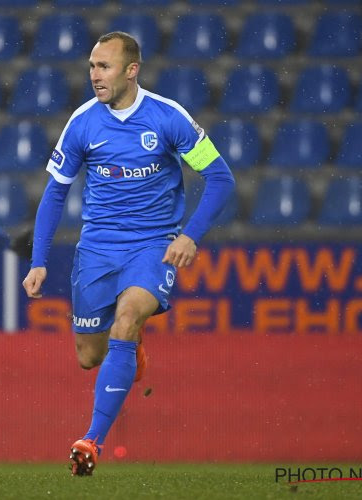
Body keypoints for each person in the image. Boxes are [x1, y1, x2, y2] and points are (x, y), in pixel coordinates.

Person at [22, 32, 235, 476]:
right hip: (97, 247)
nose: (94, 75)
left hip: (153, 244)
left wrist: (190, 235)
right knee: (88, 355)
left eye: (104, 67)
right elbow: (54, 194)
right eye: (92, 67)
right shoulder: (82, 123)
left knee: (127, 317)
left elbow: (220, 178)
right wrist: (38, 259)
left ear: (132, 70)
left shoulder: (168, 118)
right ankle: (131, 347)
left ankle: (91, 441)